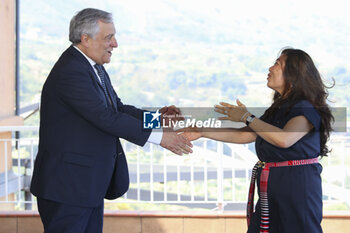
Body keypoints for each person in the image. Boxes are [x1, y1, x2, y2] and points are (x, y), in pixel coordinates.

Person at [30, 8, 192, 233]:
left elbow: (118, 108)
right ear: (85, 39)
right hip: (67, 188)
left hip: (86, 185)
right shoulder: (71, 71)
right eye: (109, 37)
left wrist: (159, 121)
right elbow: (106, 117)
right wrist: (161, 138)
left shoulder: (92, 67)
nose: (115, 44)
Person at [180, 48, 334, 233]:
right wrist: (203, 131)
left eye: (278, 63)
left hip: (297, 187)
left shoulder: (306, 107)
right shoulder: (278, 108)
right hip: (273, 186)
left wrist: (247, 117)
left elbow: (284, 139)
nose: (270, 67)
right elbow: (247, 134)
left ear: (293, 74)